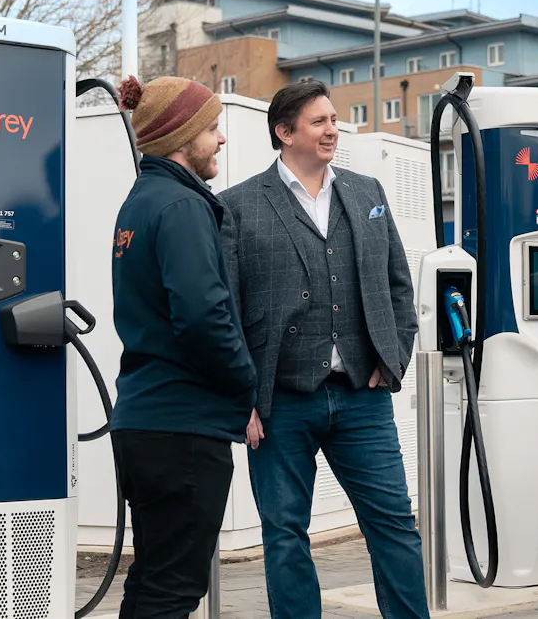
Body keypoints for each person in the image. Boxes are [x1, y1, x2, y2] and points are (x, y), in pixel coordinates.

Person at [219, 79, 427, 619]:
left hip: (362, 394)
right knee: (285, 533)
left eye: (334, 119)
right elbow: (228, 312)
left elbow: (398, 284)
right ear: (283, 133)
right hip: (279, 401)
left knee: (394, 523)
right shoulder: (236, 207)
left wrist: (393, 356)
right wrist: (242, 398)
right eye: (319, 122)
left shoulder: (367, 192)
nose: (333, 129)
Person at [109, 74, 257, 619]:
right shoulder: (181, 206)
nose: (221, 139)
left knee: (153, 580)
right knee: (173, 588)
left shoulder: (140, 202)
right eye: (212, 128)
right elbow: (202, 315)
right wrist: (245, 382)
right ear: (181, 133)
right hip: (182, 430)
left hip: (144, 422)